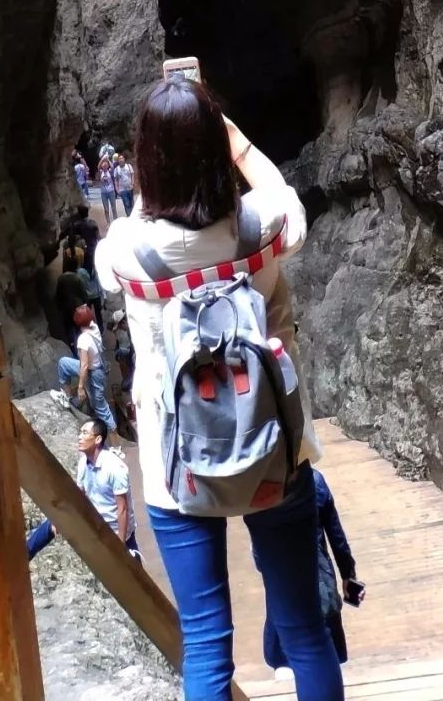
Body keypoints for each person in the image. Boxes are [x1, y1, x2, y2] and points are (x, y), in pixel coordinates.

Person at [94, 76, 342, 701]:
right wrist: (238, 148)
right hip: (274, 451)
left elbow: (116, 254)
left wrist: (156, 183)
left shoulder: (128, 250)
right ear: (216, 149)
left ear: (145, 161)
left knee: (205, 642)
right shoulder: (262, 228)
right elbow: (289, 202)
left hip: (176, 465)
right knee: (305, 632)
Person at [263, 465, 365, 669]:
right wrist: (348, 576)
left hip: (283, 590)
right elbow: (337, 538)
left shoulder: (261, 481)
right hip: (320, 584)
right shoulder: (315, 480)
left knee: (284, 665)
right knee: (329, 660)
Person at [27, 416, 140, 562]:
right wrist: (61, 519)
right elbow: (79, 495)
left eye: (85, 433)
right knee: (52, 522)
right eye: (80, 432)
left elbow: (123, 508)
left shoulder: (114, 468)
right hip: (94, 521)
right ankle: (24, 555)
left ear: (98, 440)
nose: (80, 437)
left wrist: (121, 542)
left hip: (114, 528)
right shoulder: (83, 463)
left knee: (133, 570)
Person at [49, 301, 115, 434]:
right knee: (64, 363)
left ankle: (116, 441)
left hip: (93, 372)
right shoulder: (94, 327)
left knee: (100, 407)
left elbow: (84, 366)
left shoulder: (83, 340)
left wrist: (80, 388)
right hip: (97, 367)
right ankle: (66, 398)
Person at [98, 154, 118, 225]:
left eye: (105, 165)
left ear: (107, 166)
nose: (104, 166)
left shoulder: (110, 171)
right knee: (106, 209)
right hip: (103, 193)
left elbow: (112, 166)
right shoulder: (100, 172)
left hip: (111, 191)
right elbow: (98, 166)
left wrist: (108, 159)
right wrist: (102, 159)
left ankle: (115, 221)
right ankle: (108, 223)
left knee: (113, 207)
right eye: (103, 165)